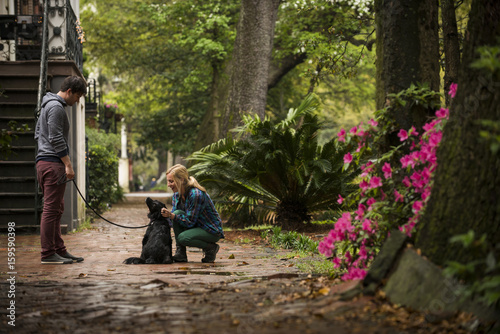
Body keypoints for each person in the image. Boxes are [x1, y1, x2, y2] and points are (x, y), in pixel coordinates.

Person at [35, 75, 87, 264]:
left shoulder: (47, 105)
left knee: (57, 208)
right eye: (78, 96)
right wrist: (67, 164)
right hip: (52, 163)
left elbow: (38, 134)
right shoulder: (56, 107)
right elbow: (56, 138)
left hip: (45, 162)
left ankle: (59, 249)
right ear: (69, 91)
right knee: (51, 209)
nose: (77, 100)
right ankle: (48, 253)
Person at [161, 164, 224, 263]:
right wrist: (161, 215)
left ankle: (210, 248)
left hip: (209, 230)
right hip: (195, 226)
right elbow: (174, 218)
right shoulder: (176, 195)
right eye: (168, 181)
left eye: (171, 181)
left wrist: (172, 216)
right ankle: (181, 253)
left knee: (183, 238)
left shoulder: (195, 194)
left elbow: (189, 222)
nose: (168, 185)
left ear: (181, 180)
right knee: (177, 212)